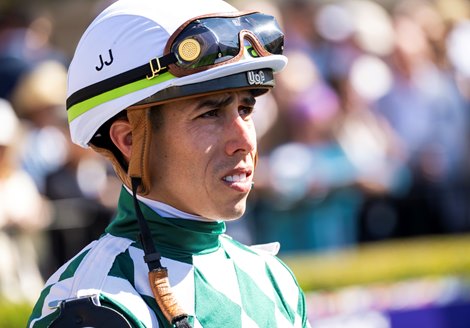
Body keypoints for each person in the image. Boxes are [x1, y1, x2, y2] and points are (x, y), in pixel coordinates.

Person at [28, 0, 311, 327]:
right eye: (210, 114)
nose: (245, 140)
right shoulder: (93, 302)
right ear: (129, 140)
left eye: (246, 110)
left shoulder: (274, 279)